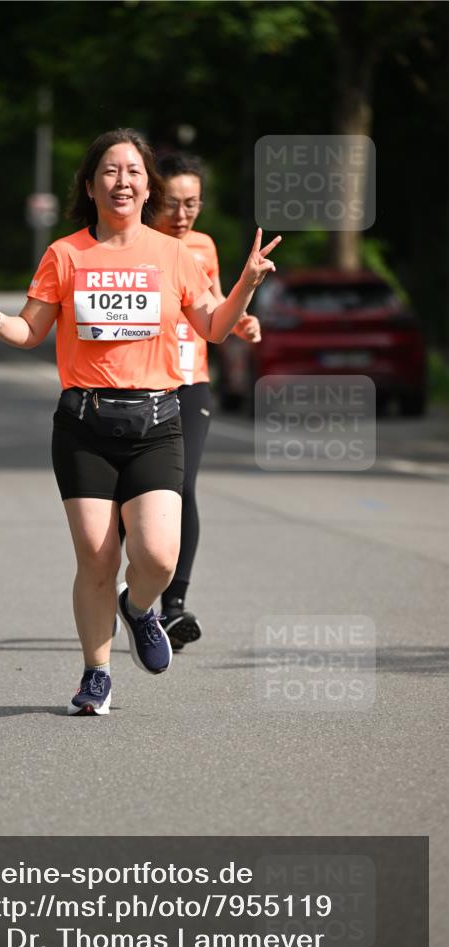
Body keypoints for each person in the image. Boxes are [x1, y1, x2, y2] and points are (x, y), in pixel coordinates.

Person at [0, 128, 280, 715]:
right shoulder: (65, 254)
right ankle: (96, 674)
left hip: (157, 419)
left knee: (158, 559)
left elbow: (213, 328)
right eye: (110, 171)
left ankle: (140, 607)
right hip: (83, 425)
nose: (122, 181)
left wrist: (246, 284)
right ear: (92, 184)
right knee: (96, 559)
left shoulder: (175, 255)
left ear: (148, 186)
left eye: (133, 172)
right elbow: (30, 332)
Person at [153, 152, 261, 650]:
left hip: (191, 380)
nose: (183, 214)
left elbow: (213, 302)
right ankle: (130, 586)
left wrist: (239, 318)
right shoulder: (135, 246)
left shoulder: (203, 245)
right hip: (141, 382)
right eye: (174, 203)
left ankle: (173, 607)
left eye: (192, 203)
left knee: (182, 486)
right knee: (139, 496)